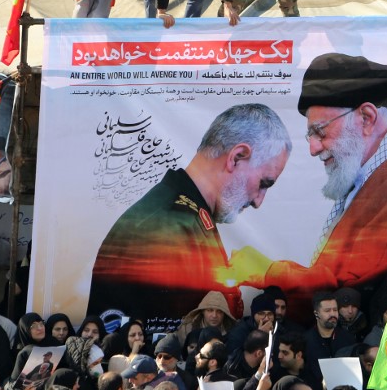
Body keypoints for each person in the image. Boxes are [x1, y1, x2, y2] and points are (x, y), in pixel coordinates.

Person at [241, 53, 387, 296]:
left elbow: (362, 292)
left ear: (367, 118)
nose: (313, 148)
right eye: (310, 135)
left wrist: (270, 272)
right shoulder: (380, 172)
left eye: (321, 131)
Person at [90, 104, 292, 318]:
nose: (258, 201)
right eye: (264, 183)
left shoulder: (187, 216)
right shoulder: (170, 226)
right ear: (237, 156)